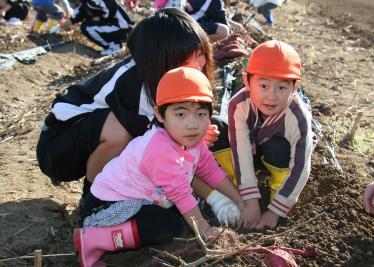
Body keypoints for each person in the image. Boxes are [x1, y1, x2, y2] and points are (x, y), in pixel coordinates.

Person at [36, 8, 238, 223]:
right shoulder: (132, 84)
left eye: (201, 56)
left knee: (205, 127)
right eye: (189, 60)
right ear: (162, 59)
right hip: (59, 148)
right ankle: (94, 203)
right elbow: (164, 152)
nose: (198, 66)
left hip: (99, 137)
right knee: (123, 133)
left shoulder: (178, 78)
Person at [74, 67, 244, 267]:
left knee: (180, 217)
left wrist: (241, 202)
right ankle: (94, 239)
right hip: (107, 205)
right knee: (167, 226)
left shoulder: (191, 140)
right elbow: (181, 193)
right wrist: (205, 230)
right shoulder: (159, 149)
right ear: (161, 115)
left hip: (143, 198)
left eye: (201, 114)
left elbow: (210, 170)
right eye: (180, 114)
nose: (192, 124)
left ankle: (110, 236)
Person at [206, 40, 314, 229]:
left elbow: (300, 167)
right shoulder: (238, 105)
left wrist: (274, 211)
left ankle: (277, 195)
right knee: (216, 126)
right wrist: (250, 200)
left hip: (277, 160)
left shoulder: (298, 117)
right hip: (250, 154)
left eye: (282, 88)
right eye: (263, 86)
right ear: (247, 81)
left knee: (278, 146)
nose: (271, 96)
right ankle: (234, 190)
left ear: (295, 87)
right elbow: (241, 150)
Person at [60, 0, 134, 55]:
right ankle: (114, 45)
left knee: (87, 27)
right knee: (86, 26)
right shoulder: (85, 4)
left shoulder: (92, 1)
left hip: (123, 26)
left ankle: (115, 46)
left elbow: (111, 6)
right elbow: (75, 18)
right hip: (119, 26)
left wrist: (102, 19)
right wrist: (60, 26)